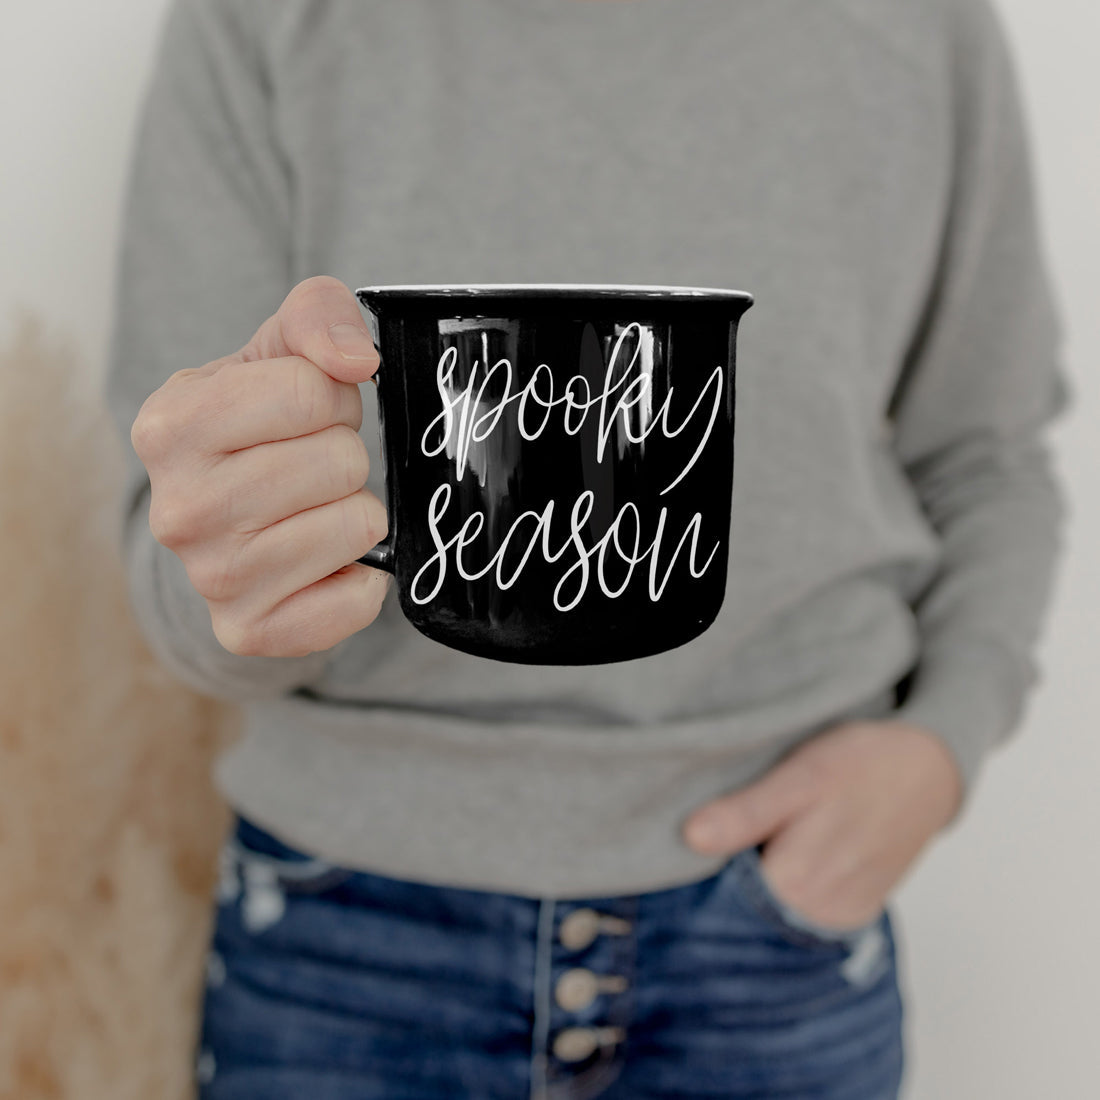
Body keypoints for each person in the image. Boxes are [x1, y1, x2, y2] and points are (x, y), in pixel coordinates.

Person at [105, 0, 1070, 1096]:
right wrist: (233, 582)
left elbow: (986, 457)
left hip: (778, 922)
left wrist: (940, 747)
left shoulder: (921, 25)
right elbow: (168, 532)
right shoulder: (256, 18)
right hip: (343, 935)